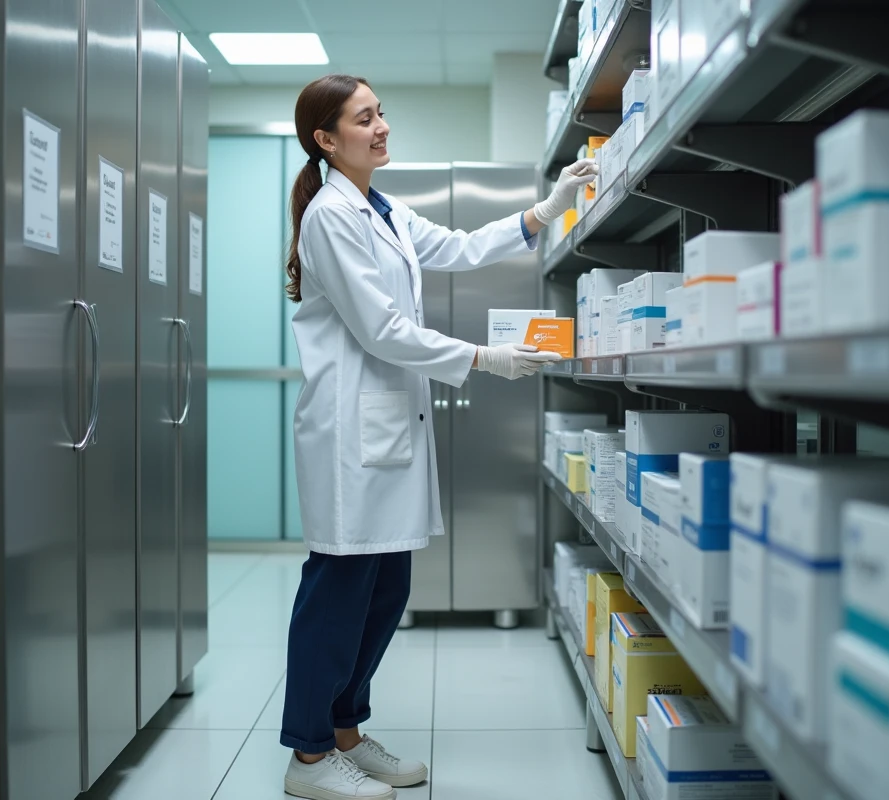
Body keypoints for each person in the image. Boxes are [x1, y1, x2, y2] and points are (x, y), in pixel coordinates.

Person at [278, 73, 597, 800]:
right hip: (349, 438)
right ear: (328, 140)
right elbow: (382, 331)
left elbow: (457, 246)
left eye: (381, 112)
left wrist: (544, 210)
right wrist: (485, 358)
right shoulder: (331, 215)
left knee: (385, 592)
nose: (382, 125)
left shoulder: (380, 209)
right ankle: (306, 758)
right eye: (365, 118)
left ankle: (346, 735)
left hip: (385, 432)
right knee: (337, 595)